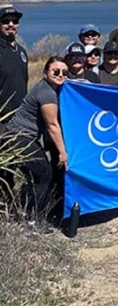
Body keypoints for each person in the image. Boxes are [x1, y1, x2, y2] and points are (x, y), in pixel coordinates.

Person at [2, 56, 69, 219]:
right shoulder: (47, 93)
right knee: (44, 173)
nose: (60, 75)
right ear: (46, 72)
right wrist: (62, 152)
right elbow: (52, 125)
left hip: (17, 136)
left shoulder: (48, 88)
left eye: (64, 72)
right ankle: (34, 218)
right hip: (18, 137)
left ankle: (23, 209)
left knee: (38, 173)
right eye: (56, 71)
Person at [0, 5, 29, 116]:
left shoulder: (21, 51)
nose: (11, 25)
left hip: (20, 114)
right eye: (6, 21)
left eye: (15, 21)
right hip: (2, 117)